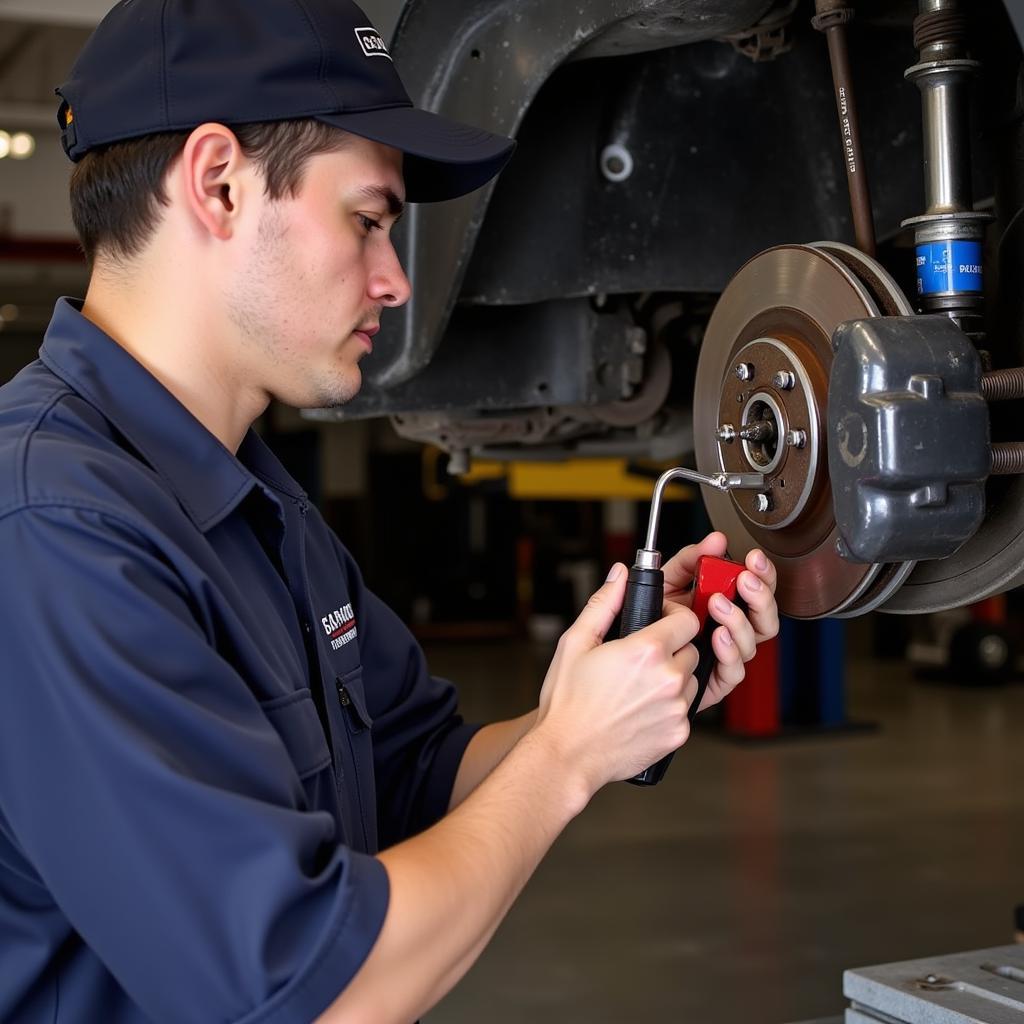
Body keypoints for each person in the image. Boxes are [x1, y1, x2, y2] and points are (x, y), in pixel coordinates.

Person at [0, 1, 780, 1021]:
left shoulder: (256, 503)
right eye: (368, 219)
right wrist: (565, 755)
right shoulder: (55, 528)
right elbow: (315, 992)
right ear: (218, 182)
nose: (394, 277)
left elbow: (420, 775)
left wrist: (605, 696)